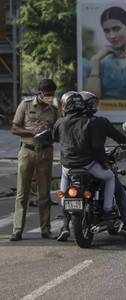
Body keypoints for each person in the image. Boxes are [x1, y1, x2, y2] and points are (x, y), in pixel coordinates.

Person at [54, 91, 126, 241]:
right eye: (91, 103)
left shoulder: (61, 121)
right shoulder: (95, 122)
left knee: (64, 192)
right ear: (82, 105)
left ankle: (65, 225)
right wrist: (105, 160)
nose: (94, 106)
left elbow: (54, 138)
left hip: (68, 166)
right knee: (112, 180)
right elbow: (99, 147)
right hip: (91, 164)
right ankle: (113, 216)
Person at [9, 79, 59, 241]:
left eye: (52, 95)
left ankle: (46, 230)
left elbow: (59, 132)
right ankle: (17, 230)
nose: (49, 98)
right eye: (47, 95)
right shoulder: (26, 105)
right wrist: (32, 133)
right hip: (27, 152)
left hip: (45, 153)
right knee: (22, 193)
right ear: (40, 93)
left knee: (44, 194)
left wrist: (49, 132)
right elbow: (14, 128)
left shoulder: (54, 110)